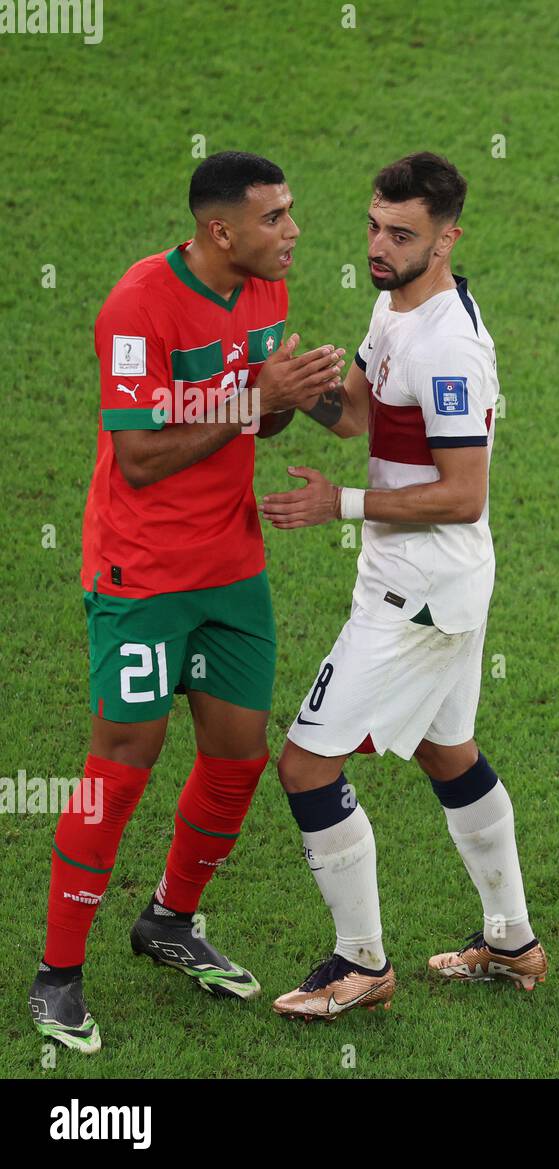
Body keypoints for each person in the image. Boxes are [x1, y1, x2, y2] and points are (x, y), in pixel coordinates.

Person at [28, 151, 345, 1054]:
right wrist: (254, 399)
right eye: (276, 217)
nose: (292, 232)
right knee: (124, 762)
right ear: (220, 231)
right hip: (142, 574)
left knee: (238, 756)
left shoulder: (265, 288)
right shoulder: (138, 307)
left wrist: (286, 397)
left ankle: (170, 916)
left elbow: (266, 416)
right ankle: (58, 974)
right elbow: (139, 457)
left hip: (231, 568)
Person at [260, 152, 546, 1019]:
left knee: (306, 766)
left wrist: (337, 503)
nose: (380, 247)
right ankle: (511, 942)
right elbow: (353, 413)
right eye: (375, 227)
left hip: (416, 595)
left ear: (448, 238)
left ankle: (361, 963)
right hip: (431, 584)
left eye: (402, 234)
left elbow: (465, 492)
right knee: (445, 749)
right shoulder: (395, 303)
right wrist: (295, 384)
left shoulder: (448, 345)